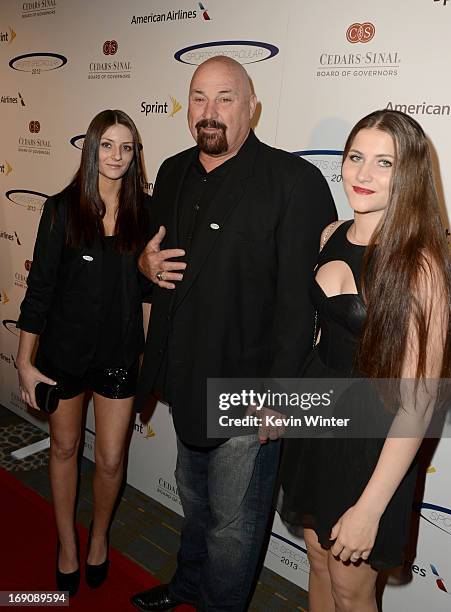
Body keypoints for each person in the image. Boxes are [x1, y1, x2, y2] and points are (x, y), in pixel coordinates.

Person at [130, 56, 336, 611]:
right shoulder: (171, 171)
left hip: (249, 393)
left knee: (233, 530)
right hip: (182, 378)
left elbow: (302, 307)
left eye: (225, 98)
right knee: (195, 506)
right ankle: (187, 586)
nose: (210, 112)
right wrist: (144, 268)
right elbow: (153, 261)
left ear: (252, 107)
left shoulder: (294, 182)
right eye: (199, 97)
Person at [279, 109, 451, 612]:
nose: (363, 174)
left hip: (372, 443)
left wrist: (370, 506)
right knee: (316, 562)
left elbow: (419, 405)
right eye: (356, 157)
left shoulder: (420, 267)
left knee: (351, 590)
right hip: (316, 423)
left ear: (410, 175)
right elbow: (319, 340)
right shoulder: (329, 234)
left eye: (384, 163)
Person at [16, 109, 152, 597]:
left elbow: (148, 294)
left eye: (126, 147)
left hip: (118, 354)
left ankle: (98, 538)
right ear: (91, 149)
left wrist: (144, 359)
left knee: (112, 459)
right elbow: (39, 290)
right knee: (65, 448)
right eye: (107, 146)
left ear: (136, 156)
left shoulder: (145, 213)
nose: (116, 156)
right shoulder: (60, 210)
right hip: (64, 354)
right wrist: (24, 362)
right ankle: (67, 545)